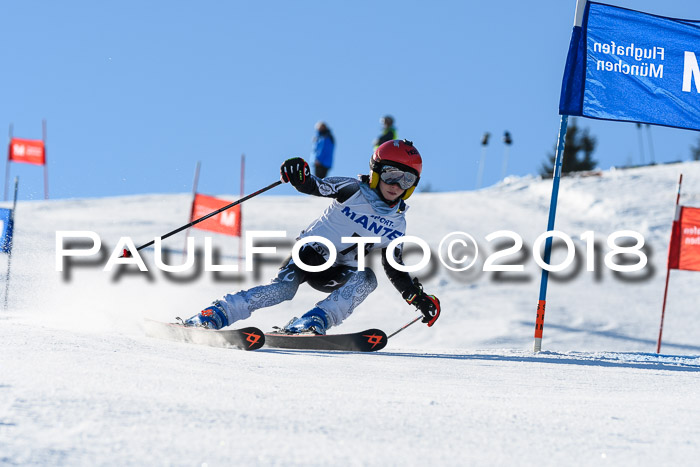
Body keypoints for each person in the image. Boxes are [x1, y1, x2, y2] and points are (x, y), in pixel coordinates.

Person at [183, 139, 441, 334]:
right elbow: (313, 185)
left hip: (339, 273)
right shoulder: (352, 189)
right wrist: (299, 175)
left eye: (407, 179)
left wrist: (417, 298)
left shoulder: (398, 222)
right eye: (390, 174)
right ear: (376, 172)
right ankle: (215, 313)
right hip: (311, 255)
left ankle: (313, 321)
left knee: (368, 279)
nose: (396, 185)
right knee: (283, 290)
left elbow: (394, 267)